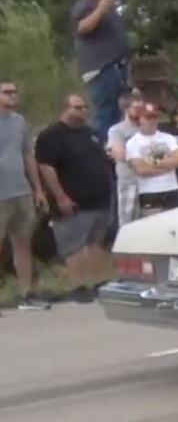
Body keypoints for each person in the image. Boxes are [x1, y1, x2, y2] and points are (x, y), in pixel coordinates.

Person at [33, 95, 113, 302]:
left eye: (85, 108)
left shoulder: (92, 134)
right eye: (78, 108)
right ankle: (79, 286)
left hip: (100, 200)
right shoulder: (52, 135)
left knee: (97, 243)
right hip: (73, 201)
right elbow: (46, 167)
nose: (83, 111)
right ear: (64, 109)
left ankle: (100, 282)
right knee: (74, 245)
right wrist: (60, 196)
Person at [0, 77, 50, 310]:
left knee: (22, 242)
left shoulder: (19, 122)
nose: (12, 95)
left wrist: (37, 188)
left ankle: (26, 293)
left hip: (20, 190)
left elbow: (28, 155)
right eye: (7, 92)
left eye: (14, 92)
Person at [70, 0, 132, 138]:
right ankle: (100, 151)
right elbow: (82, 29)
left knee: (118, 113)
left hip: (116, 68)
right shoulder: (85, 4)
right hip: (101, 68)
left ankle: (113, 150)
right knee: (105, 114)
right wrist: (100, 9)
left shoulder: (109, 7)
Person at [124, 103, 178, 216]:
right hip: (149, 191)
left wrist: (153, 165)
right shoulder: (133, 142)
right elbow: (142, 170)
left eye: (154, 117)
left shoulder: (168, 138)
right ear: (140, 119)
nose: (152, 121)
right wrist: (167, 166)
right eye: (147, 118)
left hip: (171, 188)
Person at [107, 91, 146, 226]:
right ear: (125, 108)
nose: (140, 111)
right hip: (129, 181)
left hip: (149, 181)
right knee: (128, 221)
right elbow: (119, 154)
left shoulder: (146, 128)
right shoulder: (116, 130)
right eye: (136, 108)